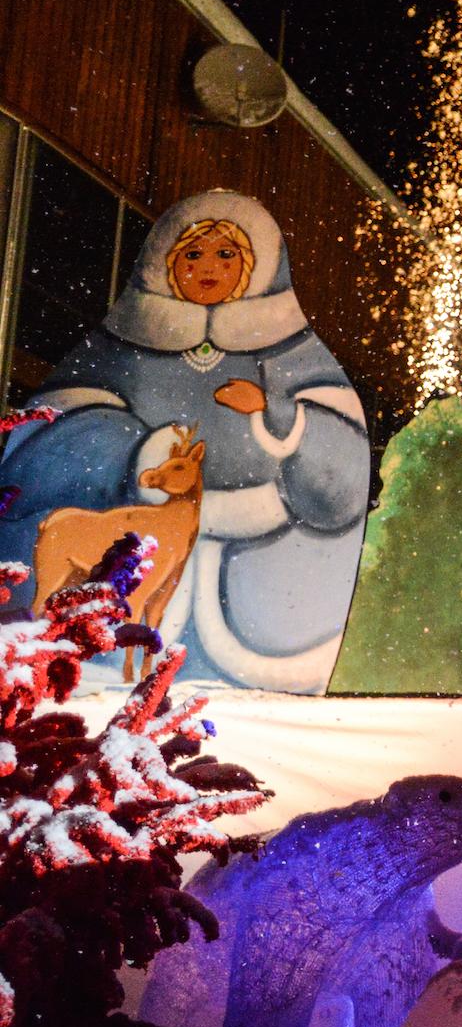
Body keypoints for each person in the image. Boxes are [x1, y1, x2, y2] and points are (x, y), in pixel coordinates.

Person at [0, 191, 369, 691]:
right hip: (129, 558)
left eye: (226, 254)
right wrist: (132, 455)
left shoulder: (299, 359)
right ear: (163, 265)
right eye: (192, 255)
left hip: (259, 593)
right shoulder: (114, 353)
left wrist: (277, 414)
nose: (207, 268)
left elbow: (340, 483)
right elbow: (37, 442)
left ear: (257, 269)